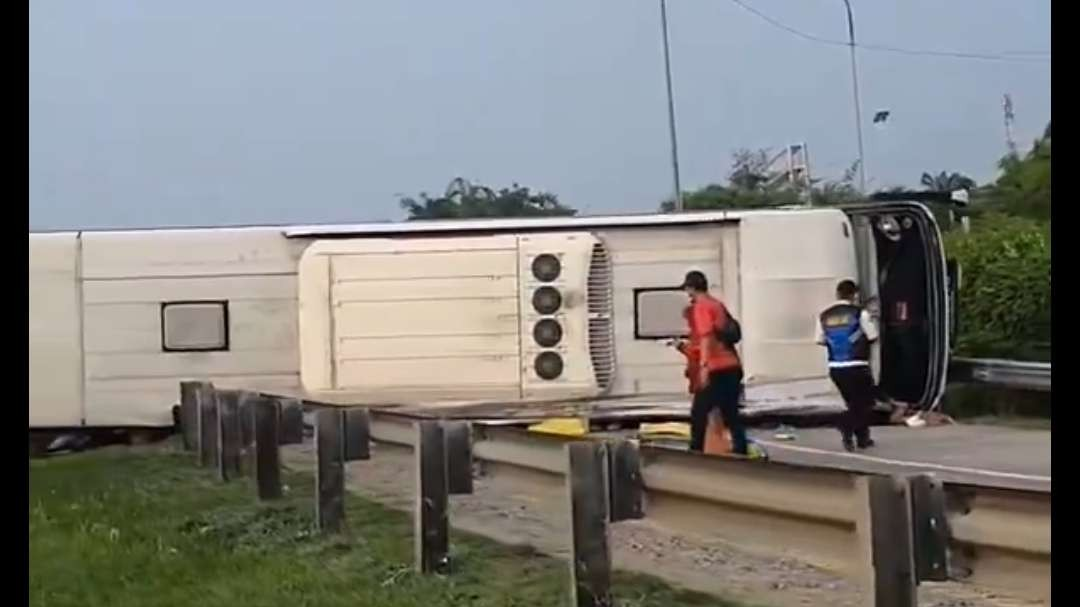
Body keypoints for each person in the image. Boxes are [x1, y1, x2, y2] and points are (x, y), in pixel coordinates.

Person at [680, 270, 747, 455]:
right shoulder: (717, 305)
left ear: (691, 288)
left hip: (716, 367)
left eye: (688, 289)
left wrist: (704, 366)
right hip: (732, 365)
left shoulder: (701, 307)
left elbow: (706, 337)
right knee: (731, 413)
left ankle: (696, 450)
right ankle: (741, 449)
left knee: (699, 412)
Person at [816, 279, 880, 452]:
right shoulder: (860, 314)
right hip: (857, 364)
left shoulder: (824, 315)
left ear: (837, 294)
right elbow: (872, 336)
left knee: (853, 402)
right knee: (865, 403)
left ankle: (862, 438)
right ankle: (845, 425)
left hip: (836, 367)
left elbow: (820, 340)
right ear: (855, 295)